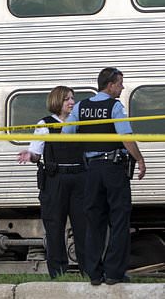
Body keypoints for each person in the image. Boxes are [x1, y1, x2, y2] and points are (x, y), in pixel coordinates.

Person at [62, 67, 147, 286]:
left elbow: (66, 135)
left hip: (91, 171)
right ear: (110, 85)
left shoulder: (81, 106)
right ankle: (114, 273)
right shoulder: (115, 106)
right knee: (119, 220)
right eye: (120, 83)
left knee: (94, 221)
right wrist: (139, 159)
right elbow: (125, 137)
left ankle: (94, 273)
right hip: (113, 169)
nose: (122, 87)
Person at [17, 86, 86, 278]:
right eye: (67, 99)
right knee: (55, 227)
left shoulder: (80, 124)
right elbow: (36, 153)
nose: (72, 102)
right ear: (57, 102)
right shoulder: (45, 124)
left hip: (80, 178)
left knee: (84, 227)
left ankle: (89, 272)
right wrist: (28, 155)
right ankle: (58, 273)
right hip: (55, 180)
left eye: (72, 98)